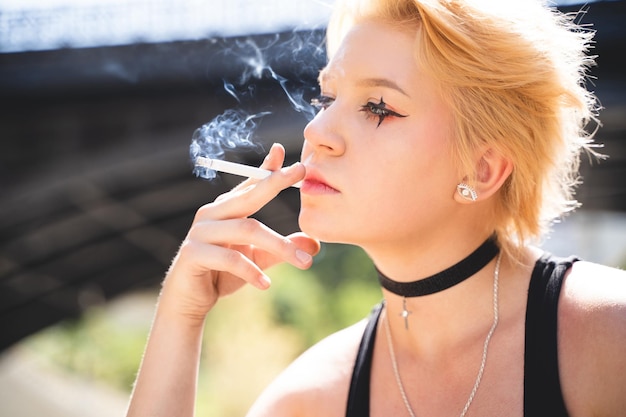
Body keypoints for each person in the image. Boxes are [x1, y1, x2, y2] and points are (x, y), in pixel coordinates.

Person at [126, 0, 626, 416]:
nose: (315, 133)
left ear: (482, 170)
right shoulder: (310, 400)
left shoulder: (609, 338)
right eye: (326, 99)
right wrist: (181, 316)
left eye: (379, 108)